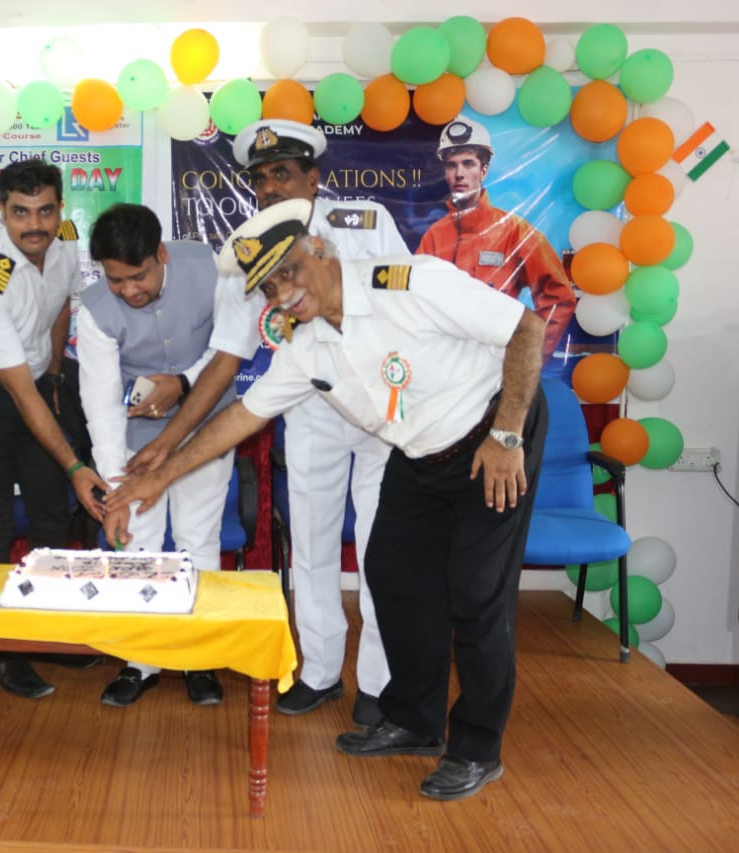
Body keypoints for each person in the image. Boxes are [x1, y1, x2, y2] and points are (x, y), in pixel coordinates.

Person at [110, 198, 548, 801]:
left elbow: (525, 328)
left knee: (476, 596)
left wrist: (507, 434)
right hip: (419, 454)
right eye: (267, 287)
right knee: (391, 577)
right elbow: (241, 416)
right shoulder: (307, 347)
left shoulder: (409, 282)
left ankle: (476, 749)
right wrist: (160, 476)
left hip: (492, 435)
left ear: (320, 249)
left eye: (288, 271)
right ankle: (416, 721)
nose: (282, 294)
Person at [124, 119, 407, 725]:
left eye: (283, 173)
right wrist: (171, 442)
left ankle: (381, 685)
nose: (271, 188)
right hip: (308, 408)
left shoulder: (366, 223)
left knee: (384, 550)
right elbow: (226, 360)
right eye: (260, 180)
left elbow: (402, 307)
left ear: (314, 176)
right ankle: (322, 672)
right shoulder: (248, 251)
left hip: (385, 410)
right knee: (310, 544)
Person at [0, 158, 105, 699]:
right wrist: (75, 462)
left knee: (51, 512)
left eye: (45, 210)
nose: (34, 225)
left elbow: (61, 306)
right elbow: (15, 390)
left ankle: (43, 633)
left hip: (34, 382)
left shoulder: (65, 242)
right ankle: (1, 650)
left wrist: (56, 371)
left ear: (60, 207)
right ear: (1, 210)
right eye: (20, 213)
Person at [78, 203, 233, 708]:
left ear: (161, 253)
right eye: (116, 280)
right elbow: (100, 401)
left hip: (207, 428)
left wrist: (185, 382)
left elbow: (232, 345)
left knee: (197, 540)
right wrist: (113, 487)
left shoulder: (209, 267)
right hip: (134, 438)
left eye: (138, 276)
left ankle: (198, 658)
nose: (128, 290)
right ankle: (139, 660)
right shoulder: (95, 308)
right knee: (135, 542)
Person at [418, 115, 577, 356]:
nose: (459, 173)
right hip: (442, 368)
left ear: (483, 170)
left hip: (496, 370)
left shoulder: (515, 231)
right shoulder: (434, 236)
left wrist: (526, 360)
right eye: (452, 165)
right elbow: (413, 298)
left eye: (468, 163)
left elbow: (558, 296)